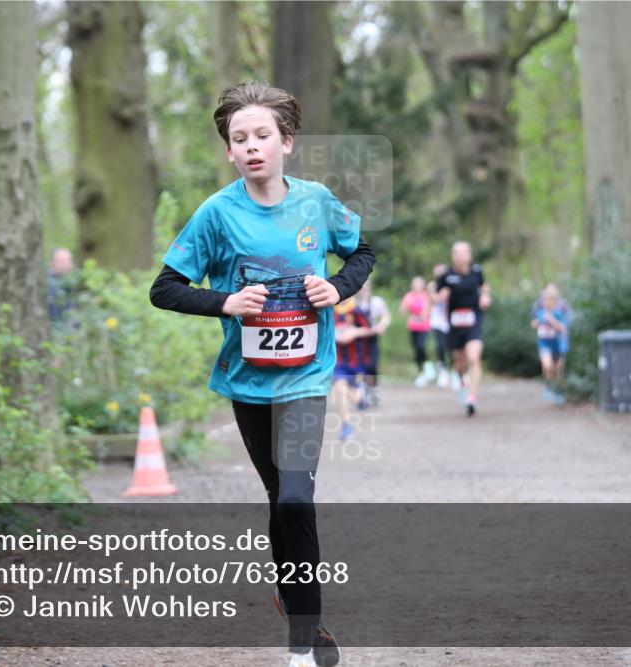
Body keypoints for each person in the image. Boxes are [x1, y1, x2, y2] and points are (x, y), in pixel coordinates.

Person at [149, 81, 373, 667]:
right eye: (239, 138)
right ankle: (304, 614)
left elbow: (363, 252)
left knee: (296, 498)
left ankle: (301, 644)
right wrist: (224, 302)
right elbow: (164, 289)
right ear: (229, 150)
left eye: (262, 136)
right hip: (248, 383)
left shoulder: (317, 202)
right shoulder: (217, 214)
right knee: (280, 498)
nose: (251, 146)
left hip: (307, 378)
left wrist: (338, 288)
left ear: (286, 143)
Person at [435, 241, 491, 416]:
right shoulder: (446, 276)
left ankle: (472, 398)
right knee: (459, 363)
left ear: (469, 255)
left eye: (464, 252)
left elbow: (484, 286)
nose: (460, 256)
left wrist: (485, 296)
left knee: (473, 357)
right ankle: (462, 384)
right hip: (455, 325)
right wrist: (440, 297)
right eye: (457, 253)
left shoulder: (477, 272)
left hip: (473, 321)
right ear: (453, 256)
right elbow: (434, 295)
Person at [331, 297, 373, 439]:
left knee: (355, 396)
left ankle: (361, 398)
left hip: (356, 362)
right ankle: (346, 426)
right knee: (339, 387)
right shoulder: (331, 310)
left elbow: (371, 329)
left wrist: (354, 332)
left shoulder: (357, 310)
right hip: (338, 361)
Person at [355, 278, 391, 406]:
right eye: (362, 287)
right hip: (359, 340)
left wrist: (382, 326)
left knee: (373, 365)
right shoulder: (354, 304)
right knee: (361, 365)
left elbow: (386, 317)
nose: (365, 290)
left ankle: (374, 389)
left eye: (367, 287)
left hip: (373, 338)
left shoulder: (377, 302)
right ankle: (363, 391)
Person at [531, 284, 568, 404]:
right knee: (547, 366)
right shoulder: (539, 311)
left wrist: (551, 320)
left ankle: (558, 392)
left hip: (558, 344)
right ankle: (548, 386)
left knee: (558, 370)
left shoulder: (559, 312)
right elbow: (534, 324)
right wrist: (537, 323)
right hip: (544, 343)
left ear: (555, 301)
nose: (548, 302)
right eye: (546, 300)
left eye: (551, 300)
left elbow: (563, 328)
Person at [398, 276, 431, 387]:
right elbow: (402, 310)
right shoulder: (409, 296)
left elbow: (428, 310)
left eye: (419, 283)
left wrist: (423, 314)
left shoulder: (426, 295)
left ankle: (428, 366)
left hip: (424, 326)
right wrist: (406, 307)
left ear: (423, 285)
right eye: (415, 284)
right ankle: (422, 372)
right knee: (416, 349)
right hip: (413, 327)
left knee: (421, 346)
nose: (417, 286)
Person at [427, 263, 451, 389]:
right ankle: (443, 370)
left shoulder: (452, 284)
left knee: (452, 347)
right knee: (440, 346)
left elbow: (442, 298)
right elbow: (433, 300)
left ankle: (457, 372)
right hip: (437, 320)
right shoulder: (432, 285)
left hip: (450, 320)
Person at [47, 247, 76, 330]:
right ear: (52, 262)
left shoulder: (74, 283)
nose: (64, 264)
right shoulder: (46, 283)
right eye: (61, 260)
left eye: (67, 261)